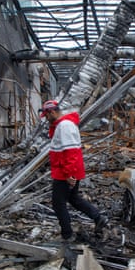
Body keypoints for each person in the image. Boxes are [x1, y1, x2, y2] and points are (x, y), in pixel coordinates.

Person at [39, 99, 108, 242]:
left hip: (65, 173)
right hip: (68, 171)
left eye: (46, 116)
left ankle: (67, 235)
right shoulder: (63, 125)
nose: (46, 119)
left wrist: (68, 174)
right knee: (73, 198)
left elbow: (70, 152)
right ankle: (98, 217)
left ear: (52, 112)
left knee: (58, 204)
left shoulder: (64, 126)